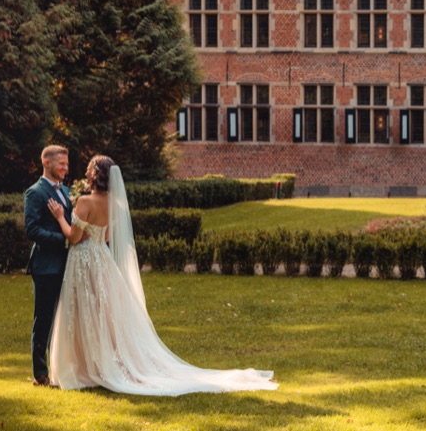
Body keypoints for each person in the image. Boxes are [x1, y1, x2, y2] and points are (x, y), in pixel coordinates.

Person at [46, 155, 277, 396]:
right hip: (101, 260)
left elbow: (73, 237)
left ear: (93, 175)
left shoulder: (85, 201)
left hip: (83, 261)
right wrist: (88, 235)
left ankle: (85, 367)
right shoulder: (115, 203)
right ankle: (101, 364)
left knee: (85, 311)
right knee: (104, 314)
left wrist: (60, 216)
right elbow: (105, 237)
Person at [23, 145, 72, 386]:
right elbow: (32, 230)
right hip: (45, 266)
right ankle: (40, 374)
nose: (66, 167)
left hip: (67, 264)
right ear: (47, 163)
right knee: (43, 319)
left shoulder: (65, 190)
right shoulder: (35, 193)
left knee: (64, 318)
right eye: (61, 163)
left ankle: (62, 367)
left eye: (66, 163)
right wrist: (63, 240)